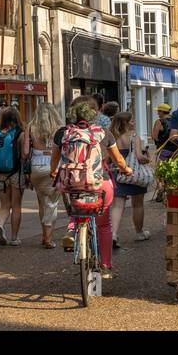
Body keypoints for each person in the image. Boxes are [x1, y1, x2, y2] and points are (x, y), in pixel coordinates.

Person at [54, 98, 132, 279]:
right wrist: (126, 169)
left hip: (71, 182)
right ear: (93, 115)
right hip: (99, 183)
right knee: (104, 224)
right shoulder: (103, 133)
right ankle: (105, 267)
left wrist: (53, 173)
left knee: (75, 201)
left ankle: (72, 229)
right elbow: (119, 160)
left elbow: (54, 161)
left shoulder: (62, 134)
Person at [108, 111, 150, 246]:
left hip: (117, 173)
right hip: (134, 174)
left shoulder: (112, 137)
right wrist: (147, 159)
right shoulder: (134, 137)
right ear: (125, 123)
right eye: (132, 121)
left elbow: (108, 158)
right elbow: (139, 157)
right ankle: (139, 233)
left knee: (117, 205)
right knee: (137, 204)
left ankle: (113, 234)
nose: (134, 122)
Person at [0, 107, 29, 245]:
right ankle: (14, 237)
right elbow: (24, 155)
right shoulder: (20, 134)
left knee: (5, 205)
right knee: (16, 205)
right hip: (15, 173)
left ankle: (0, 225)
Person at [27, 102, 62, 249]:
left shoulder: (30, 127)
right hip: (52, 165)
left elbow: (24, 152)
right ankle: (48, 238)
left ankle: (44, 235)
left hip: (35, 167)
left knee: (42, 201)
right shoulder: (59, 128)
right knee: (52, 203)